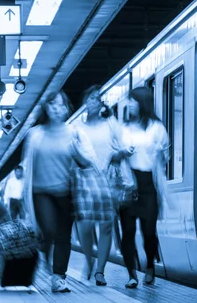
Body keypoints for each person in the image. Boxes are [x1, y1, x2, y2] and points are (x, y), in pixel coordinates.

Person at [21, 90, 98, 293]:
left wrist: (77, 152)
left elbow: (89, 161)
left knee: (64, 236)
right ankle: (47, 258)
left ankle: (58, 277)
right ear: (46, 108)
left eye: (61, 105)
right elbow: (27, 167)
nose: (56, 108)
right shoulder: (35, 134)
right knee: (49, 231)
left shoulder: (74, 133)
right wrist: (22, 196)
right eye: (52, 104)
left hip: (66, 192)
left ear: (66, 109)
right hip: (41, 193)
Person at [119, 87, 170, 288]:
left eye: (132, 101)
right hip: (128, 184)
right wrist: (123, 152)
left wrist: (159, 152)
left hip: (149, 184)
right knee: (128, 231)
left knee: (149, 231)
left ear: (142, 102)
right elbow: (114, 156)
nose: (129, 105)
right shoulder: (123, 129)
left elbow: (165, 158)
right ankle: (132, 275)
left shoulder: (157, 128)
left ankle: (150, 265)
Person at [76, 85, 123, 286]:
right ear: (85, 102)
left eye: (97, 98)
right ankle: (89, 259)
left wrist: (119, 155)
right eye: (90, 98)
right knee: (85, 227)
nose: (94, 101)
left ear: (102, 103)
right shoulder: (78, 128)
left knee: (105, 227)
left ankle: (100, 271)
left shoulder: (110, 124)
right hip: (85, 182)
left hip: (107, 181)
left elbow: (122, 146)